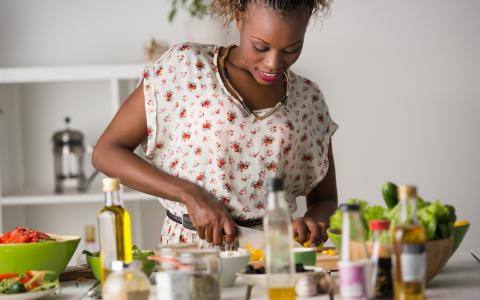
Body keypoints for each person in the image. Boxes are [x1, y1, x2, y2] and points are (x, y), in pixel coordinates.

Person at [92, 0, 338, 248]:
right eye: (260, 46)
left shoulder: (309, 99)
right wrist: (190, 195)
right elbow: (106, 152)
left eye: (291, 49)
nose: (273, 63)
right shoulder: (186, 67)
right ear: (239, 18)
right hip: (192, 254)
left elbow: (325, 199)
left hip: (274, 256)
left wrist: (313, 223)